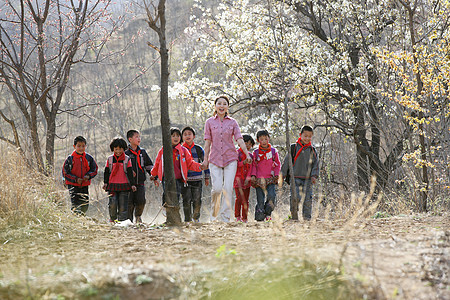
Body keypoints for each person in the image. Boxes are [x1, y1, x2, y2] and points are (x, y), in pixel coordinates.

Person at [202, 95, 252, 222]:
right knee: (217, 188)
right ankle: (213, 216)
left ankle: (225, 218)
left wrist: (246, 153)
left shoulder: (233, 122)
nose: (222, 106)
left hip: (231, 158)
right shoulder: (209, 122)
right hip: (214, 158)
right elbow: (207, 143)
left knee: (228, 188)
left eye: (224, 104)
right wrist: (205, 159)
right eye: (219, 103)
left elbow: (239, 139)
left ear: (227, 107)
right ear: (215, 106)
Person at [150, 127, 204, 217]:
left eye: (178, 136)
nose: (176, 138)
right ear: (168, 137)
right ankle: (165, 207)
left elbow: (190, 163)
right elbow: (157, 163)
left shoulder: (183, 150)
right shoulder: (163, 150)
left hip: (179, 178)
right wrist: (153, 174)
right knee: (167, 193)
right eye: (173, 136)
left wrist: (200, 167)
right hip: (166, 177)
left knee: (177, 195)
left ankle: (174, 214)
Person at [280, 125, 319, 221]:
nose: (307, 138)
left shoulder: (312, 150)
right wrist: (282, 175)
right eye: (305, 136)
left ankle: (307, 218)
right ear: (300, 135)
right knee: (295, 196)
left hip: (308, 179)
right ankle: (293, 215)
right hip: (295, 177)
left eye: (309, 136)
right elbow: (287, 162)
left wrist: (314, 175)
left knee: (308, 199)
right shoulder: (293, 148)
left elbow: (316, 164)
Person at [62, 136, 98, 215]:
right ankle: (76, 218)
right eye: (79, 146)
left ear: (85, 146)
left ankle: (81, 217)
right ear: (74, 147)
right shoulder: (70, 159)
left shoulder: (89, 158)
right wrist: (75, 179)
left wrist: (88, 176)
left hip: (84, 185)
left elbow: (94, 169)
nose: (81, 148)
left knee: (85, 204)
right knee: (75, 204)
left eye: (83, 146)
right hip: (73, 185)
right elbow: (65, 172)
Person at [103, 137, 137, 222]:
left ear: (124, 149)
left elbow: (129, 173)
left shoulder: (126, 159)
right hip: (112, 185)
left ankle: (122, 221)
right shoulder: (110, 159)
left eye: (120, 149)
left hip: (124, 185)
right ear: (113, 149)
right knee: (113, 203)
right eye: (116, 149)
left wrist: (132, 184)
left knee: (123, 205)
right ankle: (113, 219)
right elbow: (106, 172)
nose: (118, 151)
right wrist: (105, 183)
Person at [181, 126, 210, 222]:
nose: (187, 136)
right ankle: (187, 219)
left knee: (197, 200)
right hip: (185, 180)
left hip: (197, 179)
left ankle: (196, 218)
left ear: (194, 136)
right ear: (182, 137)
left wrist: (206, 176)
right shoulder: (180, 149)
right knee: (186, 200)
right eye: (185, 134)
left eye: (189, 134)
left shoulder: (198, 149)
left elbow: (205, 163)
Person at [250, 129, 281, 221]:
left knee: (271, 195)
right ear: (258, 140)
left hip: (271, 178)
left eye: (265, 139)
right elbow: (254, 165)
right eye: (261, 139)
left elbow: (277, 164)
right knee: (260, 199)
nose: (264, 141)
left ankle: (268, 213)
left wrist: (276, 175)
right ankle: (260, 217)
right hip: (259, 179)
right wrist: (253, 175)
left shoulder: (273, 151)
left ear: (269, 139)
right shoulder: (255, 153)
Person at [125, 130, 154, 223]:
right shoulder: (126, 153)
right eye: (136, 137)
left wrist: (153, 175)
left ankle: (138, 216)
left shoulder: (142, 152)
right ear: (130, 139)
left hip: (140, 181)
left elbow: (149, 165)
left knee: (141, 201)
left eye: (139, 137)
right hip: (129, 183)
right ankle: (129, 220)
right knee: (129, 203)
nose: (139, 139)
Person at [234, 134, 255, 223]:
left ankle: (245, 218)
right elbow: (235, 166)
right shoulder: (236, 153)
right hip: (238, 180)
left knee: (246, 200)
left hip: (247, 181)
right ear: (239, 144)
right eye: (245, 143)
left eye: (249, 144)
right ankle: (237, 216)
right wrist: (243, 162)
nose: (247, 145)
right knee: (239, 198)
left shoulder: (251, 155)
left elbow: (252, 168)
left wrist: (248, 178)